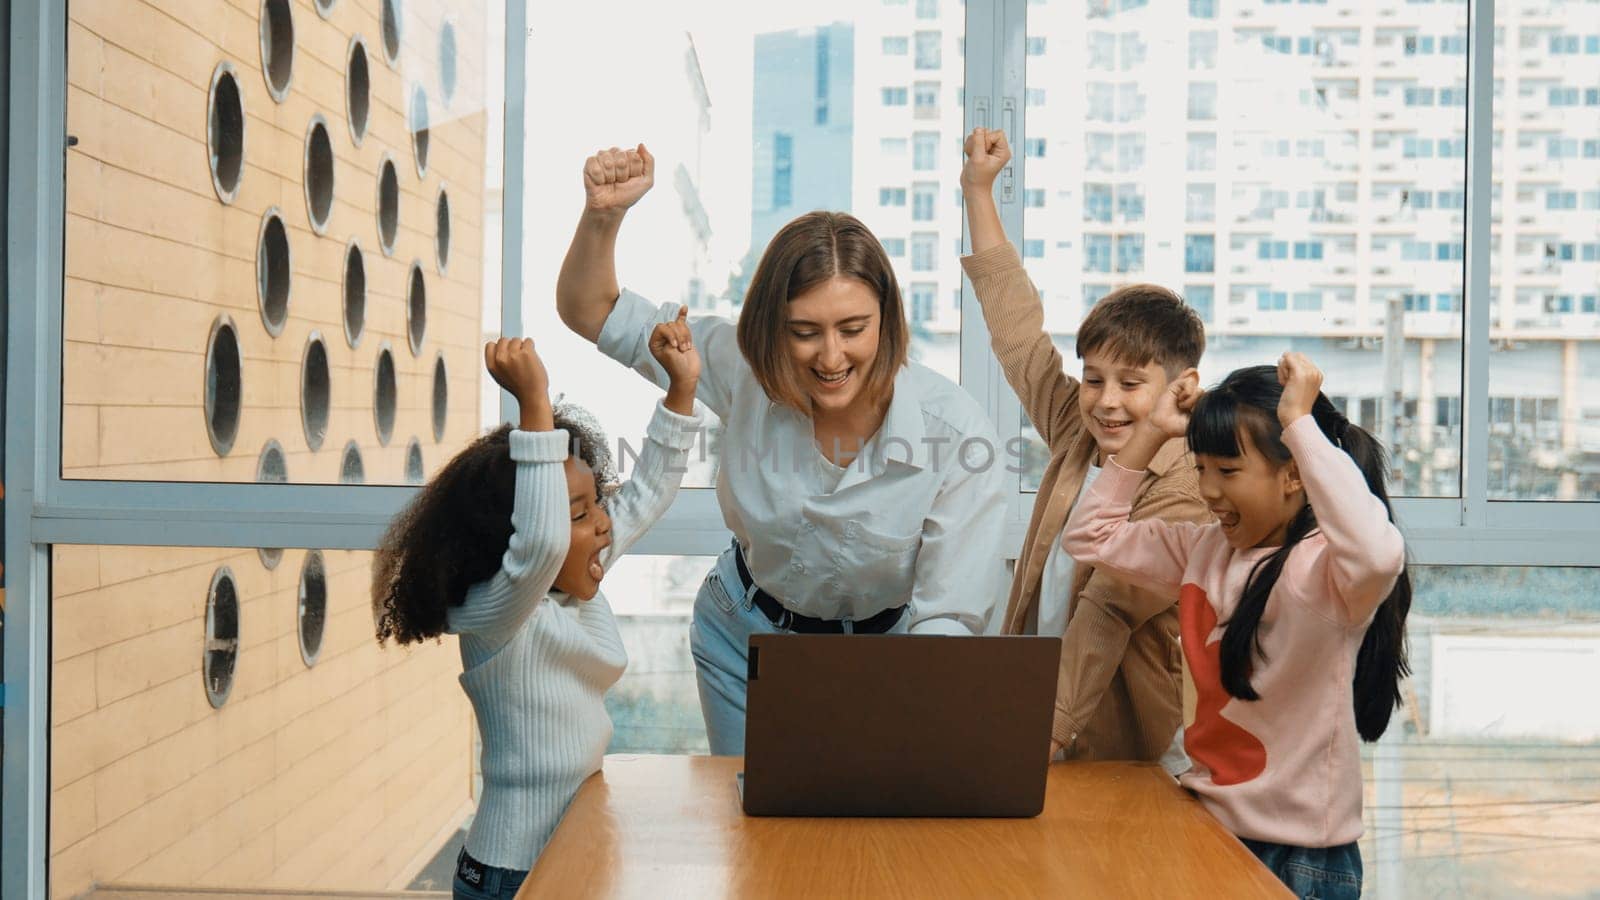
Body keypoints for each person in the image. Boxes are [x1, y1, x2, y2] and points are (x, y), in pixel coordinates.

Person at [556, 144, 1009, 755]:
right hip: (742, 640)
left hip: (891, 659)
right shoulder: (741, 366)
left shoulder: (956, 434)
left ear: (887, 319)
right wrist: (604, 217)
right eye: (804, 332)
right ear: (772, 327)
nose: (830, 358)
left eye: (853, 329)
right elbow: (591, 311)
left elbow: (949, 622)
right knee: (756, 836)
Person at [1063, 352, 1412, 900]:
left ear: (1295, 474)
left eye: (1228, 471)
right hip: (1208, 826)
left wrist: (1300, 425)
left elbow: (1377, 552)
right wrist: (1153, 430)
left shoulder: (1321, 572)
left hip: (1300, 859)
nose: (1209, 490)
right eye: (1201, 467)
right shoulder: (1203, 550)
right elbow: (1089, 537)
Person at [371, 324, 703, 899]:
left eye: (597, 499)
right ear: (513, 537)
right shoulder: (500, 614)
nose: (602, 522)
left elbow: (646, 492)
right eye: (577, 512)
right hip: (511, 873)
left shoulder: (567, 588)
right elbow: (543, 544)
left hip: (571, 849)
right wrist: (534, 404)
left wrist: (681, 389)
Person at [959, 126, 1209, 768]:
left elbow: (1107, 613)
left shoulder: (1187, 488)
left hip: (1123, 748)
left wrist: (1038, 735)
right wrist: (978, 190)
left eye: (1131, 384)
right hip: (1044, 719)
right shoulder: (1079, 429)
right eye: (1093, 378)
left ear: (1181, 390)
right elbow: (1017, 332)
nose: (1105, 400)